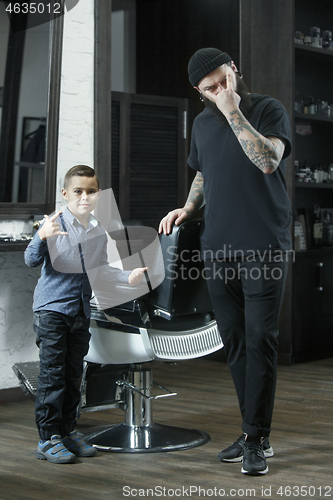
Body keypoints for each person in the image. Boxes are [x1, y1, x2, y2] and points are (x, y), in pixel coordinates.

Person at [159, 48, 292, 476]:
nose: (218, 92)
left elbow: (269, 161)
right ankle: (254, 431)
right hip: (217, 247)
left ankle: (256, 437)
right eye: (209, 89)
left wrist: (233, 110)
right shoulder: (200, 123)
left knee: (260, 339)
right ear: (198, 92)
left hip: (263, 246)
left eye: (222, 81)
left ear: (234, 69)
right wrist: (187, 208)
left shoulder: (267, 109)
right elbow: (203, 172)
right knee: (234, 343)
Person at [25, 165, 147, 464]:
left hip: (79, 312)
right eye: (78, 191)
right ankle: (47, 438)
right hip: (52, 310)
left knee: (73, 375)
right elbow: (30, 260)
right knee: (53, 376)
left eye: (91, 191)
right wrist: (41, 236)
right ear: (65, 194)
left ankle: (66, 432)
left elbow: (100, 270)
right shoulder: (52, 223)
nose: (85, 196)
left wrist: (127, 277)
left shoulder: (97, 230)